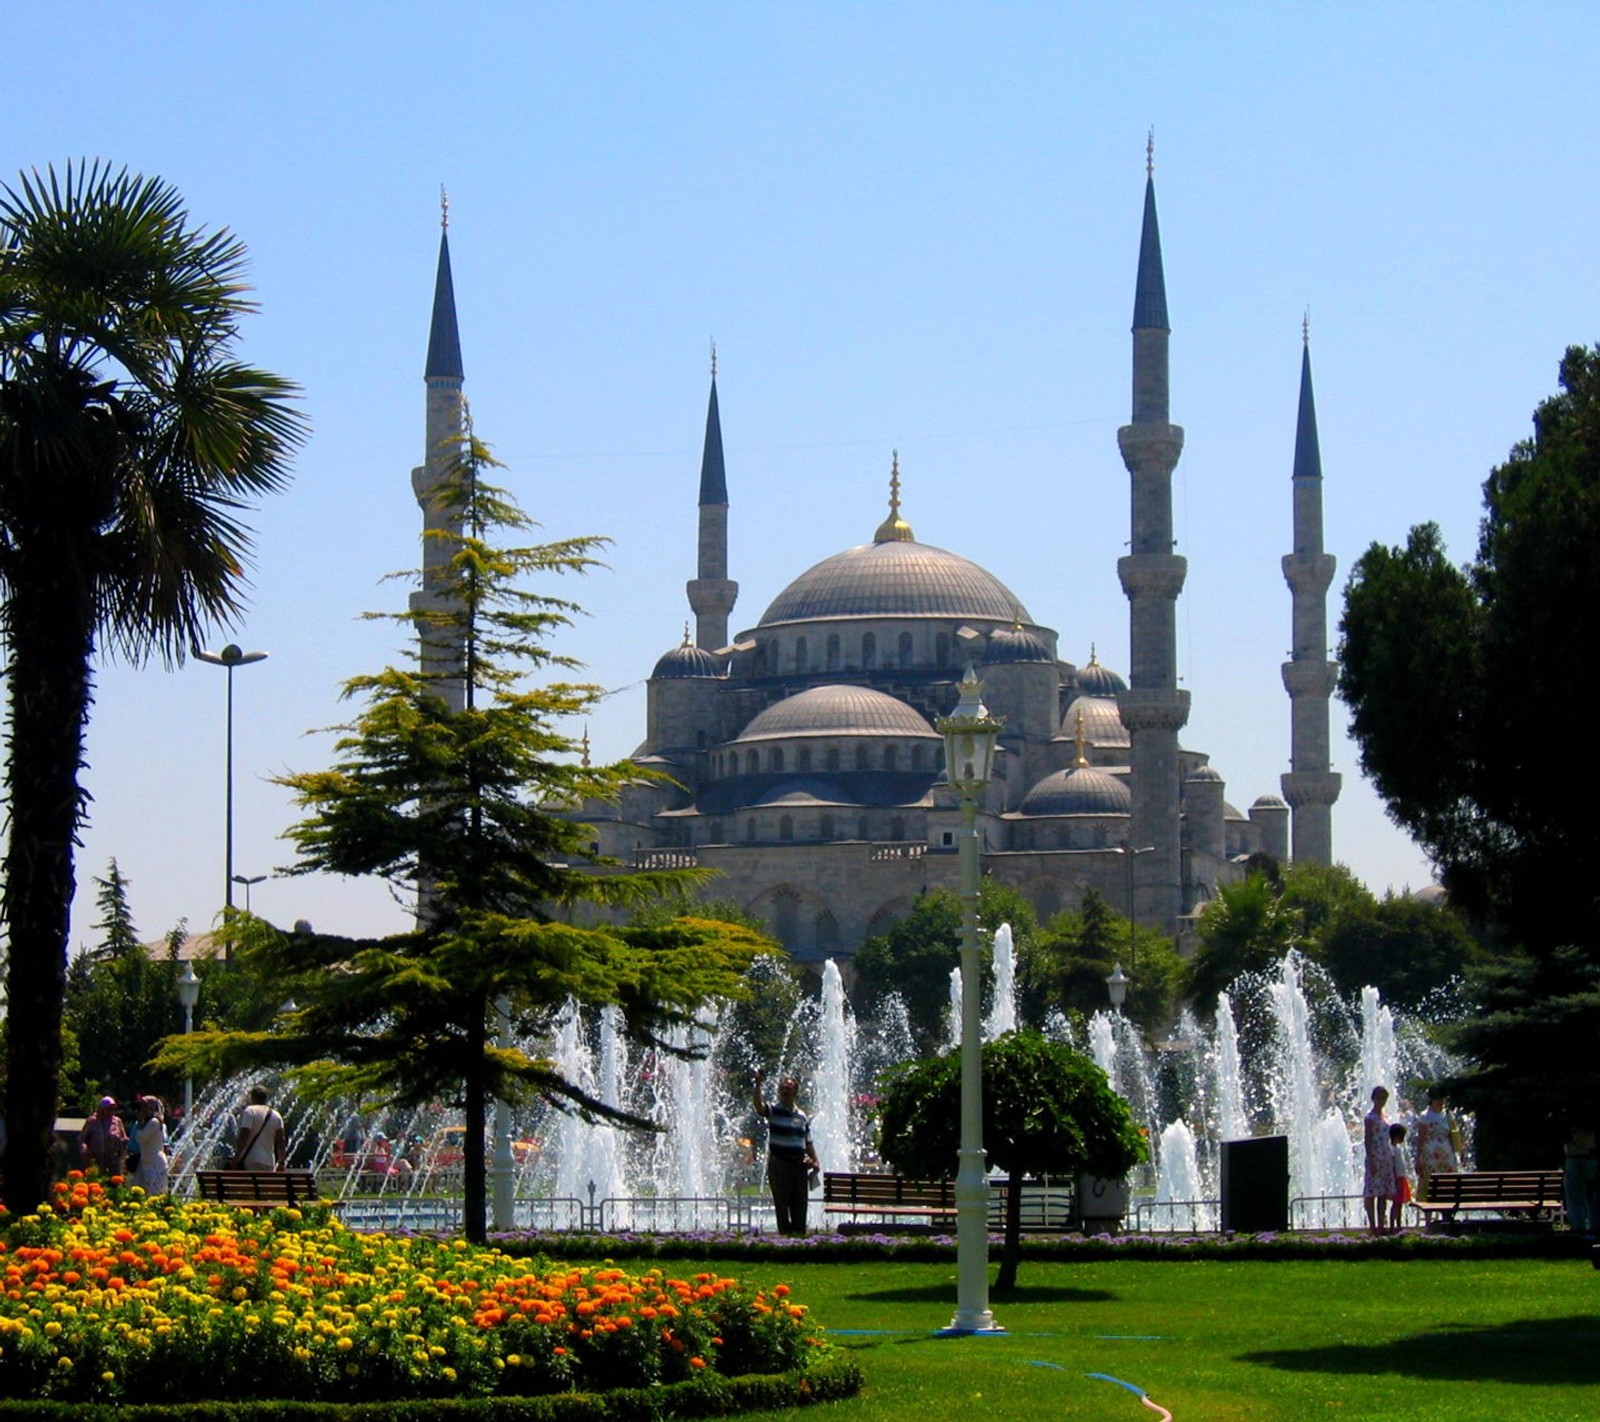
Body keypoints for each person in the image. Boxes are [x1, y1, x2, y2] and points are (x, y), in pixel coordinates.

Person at [752, 1068, 820, 1236]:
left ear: (795, 1093)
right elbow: (759, 1108)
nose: (784, 1091)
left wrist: (815, 1161)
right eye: (782, 1088)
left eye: (788, 1089)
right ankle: (784, 1238)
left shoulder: (801, 1116)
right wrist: (758, 1085)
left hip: (799, 1164)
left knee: (800, 1204)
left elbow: (808, 1141)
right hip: (779, 1163)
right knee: (782, 1204)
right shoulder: (774, 1110)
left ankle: (799, 1237)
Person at [1412, 1091, 1460, 1199]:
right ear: (1432, 1100)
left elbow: (1454, 1134)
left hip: (1447, 1156)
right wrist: (1418, 1157)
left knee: (1447, 1186)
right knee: (1429, 1186)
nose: (1441, 1101)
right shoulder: (1425, 1116)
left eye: (1443, 1098)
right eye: (1438, 1099)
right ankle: (1429, 1214)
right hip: (1430, 1155)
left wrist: (1459, 1152)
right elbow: (1421, 1138)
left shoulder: (1448, 1114)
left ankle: (1445, 1213)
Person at [1362, 1085, 1395, 1236]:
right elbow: (1367, 1140)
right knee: (1371, 1193)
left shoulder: (1386, 1117)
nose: (1381, 1101)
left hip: (1386, 1157)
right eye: (1378, 1098)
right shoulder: (1370, 1118)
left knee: (1383, 1194)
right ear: (1373, 1099)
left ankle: (1382, 1224)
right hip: (1375, 1157)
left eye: (1384, 1098)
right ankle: (1372, 1225)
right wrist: (1371, 1160)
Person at [230, 1084, 287, 1171]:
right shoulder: (276, 1115)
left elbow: (244, 1136)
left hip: (252, 1159)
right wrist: (281, 1162)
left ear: (253, 1097)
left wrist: (236, 1158)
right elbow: (281, 1141)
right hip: (269, 1162)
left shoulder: (250, 1111)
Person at [80, 1096, 127, 1178]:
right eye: (109, 1109)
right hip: (96, 1158)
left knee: (114, 1183)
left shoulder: (117, 1121)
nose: (112, 1112)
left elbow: (123, 1137)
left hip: (113, 1159)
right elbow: (82, 1138)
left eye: (113, 1109)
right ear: (101, 1109)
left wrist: (124, 1142)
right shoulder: (92, 1121)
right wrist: (84, 1148)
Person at [132, 1096, 169, 1196]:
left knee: (154, 1194)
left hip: (155, 1163)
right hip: (147, 1161)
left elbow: (141, 1138)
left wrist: (139, 1125)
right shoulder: (147, 1123)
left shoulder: (154, 1122)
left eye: (144, 1107)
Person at [1388, 1122, 1413, 1232]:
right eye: (1402, 1137)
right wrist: (1394, 1179)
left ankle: (1398, 1224)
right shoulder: (1392, 1149)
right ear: (1397, 1136)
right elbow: (1393, 1165)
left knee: (1399, 1203)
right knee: (1396, 1203)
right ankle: (1393, 1225)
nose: (1403, 1140)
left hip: (1401, 1178)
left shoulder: (1397, 1148)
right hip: (1397, 1178)